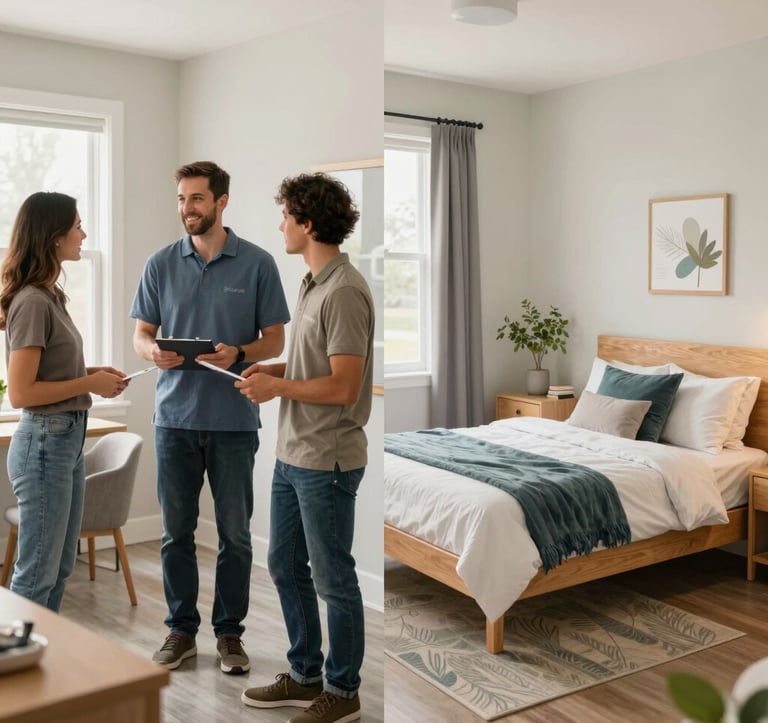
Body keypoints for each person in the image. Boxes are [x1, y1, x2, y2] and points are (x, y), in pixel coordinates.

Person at [130, 161, 290, 674]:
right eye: (181, 199)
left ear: (221, 202)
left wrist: (238, 351)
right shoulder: (160, 263)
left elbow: (275, 340)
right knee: (176, 532)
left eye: (196, 199)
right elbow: (142, 335)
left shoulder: (259, 263)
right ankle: (180, 631)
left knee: (235, 535)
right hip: (173, 418)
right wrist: (151, 353)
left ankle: (230, 635)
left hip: (234, 421)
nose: (187, 209)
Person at [238, 173, 374, 723]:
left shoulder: (344, 290)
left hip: (329, 461)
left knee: (333, 577)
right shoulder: (311, 281)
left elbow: (343, 386)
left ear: (308, 223)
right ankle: (304, 674)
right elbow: (313, 364)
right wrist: (270, 369)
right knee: (284, 564)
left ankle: (343, 693)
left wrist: (277, 387)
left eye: (287, 216)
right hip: (292, 454)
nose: (281, 226)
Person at [0, 191, 128, 611]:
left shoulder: (50, 295)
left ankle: (45, 667)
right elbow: (22, 394)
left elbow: (53, 371)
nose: (83, 234)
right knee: (37, 574)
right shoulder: (32, 301)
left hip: (66, 441)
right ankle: (14, 670)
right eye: (77, 226)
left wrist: (93, 374)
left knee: (58, 570)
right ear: (53, 235)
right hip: (44, 444)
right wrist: (88, 382)